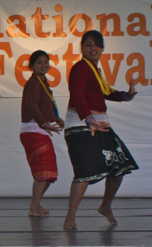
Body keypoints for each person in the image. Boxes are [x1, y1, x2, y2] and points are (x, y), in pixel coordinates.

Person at [63, 30, 139, 229]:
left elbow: (106, 92)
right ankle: (70, 216)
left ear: (102, 49)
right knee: (85, 172)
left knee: (120, 166)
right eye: (88, 44)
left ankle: (105, 206)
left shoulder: (95, 70)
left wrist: (127, 95)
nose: (93, 48)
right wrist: (89, 120)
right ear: (82, 48)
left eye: (97, 45)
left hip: (99, 124)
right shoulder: (80, 68)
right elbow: (77, 94)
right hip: (81, 126)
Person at [20, 50, 64, 217]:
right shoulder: (33, 83)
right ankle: (34, 206)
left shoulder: (43, 82)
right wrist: (45, 123)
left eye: (46, 61)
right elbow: (31, 104)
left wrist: (55, 118)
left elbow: (43, 105)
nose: (44, 65)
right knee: (44, 171)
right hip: (33, 130)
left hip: (39, 130)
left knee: (48, 171)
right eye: (39, 62)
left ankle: (35, 205)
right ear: (31, 66)